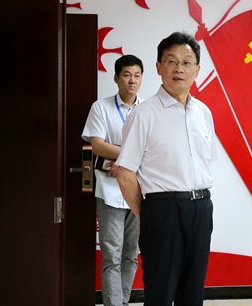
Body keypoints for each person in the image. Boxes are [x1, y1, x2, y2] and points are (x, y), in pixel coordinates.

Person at [115, 32, 217, 306]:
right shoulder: (144, 114)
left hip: (201, 208)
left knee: (193, 292)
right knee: (160, 293)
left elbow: (205, 163)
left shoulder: (204, 112)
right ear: (159, 67)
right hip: (163, 211)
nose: (179, 69)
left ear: (197, 69)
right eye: (171, 61)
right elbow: (125, 175)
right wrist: (149, 214)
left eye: (187, 62)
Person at [81, 55, 144, 306]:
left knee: (131, 255)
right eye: (127, 75)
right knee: (112, 257)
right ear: (116, 78)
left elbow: (153, 149)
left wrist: (123, 158)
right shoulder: (101, 107)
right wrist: (130, 155)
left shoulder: (147, 109)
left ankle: (123, 302)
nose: (132, 80)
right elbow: (97, 145)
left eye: (137, 75)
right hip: (110, 191)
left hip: (140, 191)